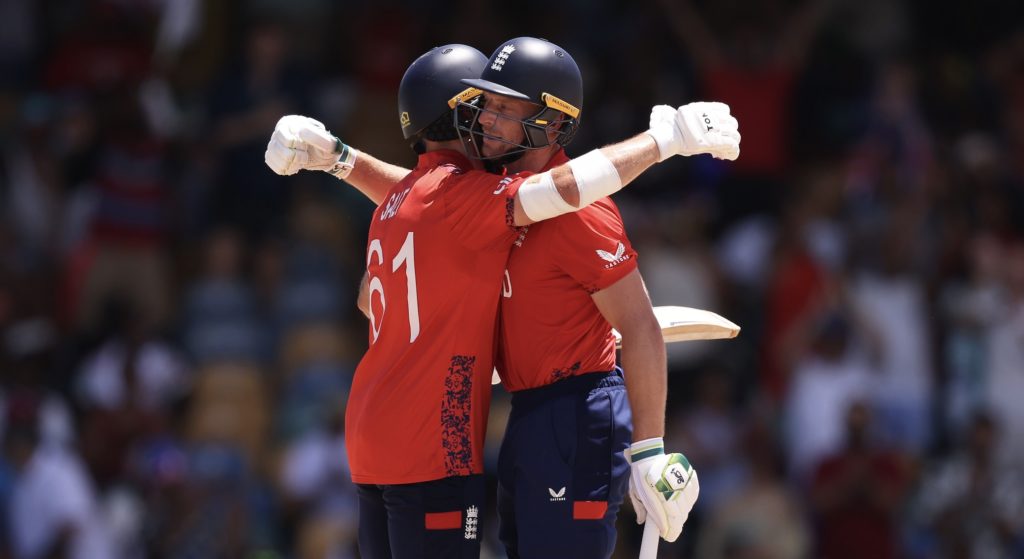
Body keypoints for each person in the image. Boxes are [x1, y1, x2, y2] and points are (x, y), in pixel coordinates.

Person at [265, 38, 739, 558]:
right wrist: (339, 159)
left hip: (576, 410)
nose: (487, 119)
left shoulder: (574, 211)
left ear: (551, 122)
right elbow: (437, 199)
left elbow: (639, 324)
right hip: (525, 414)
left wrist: (649, 450)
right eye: (485, 104)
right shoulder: (484, 200)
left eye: (504, 109)